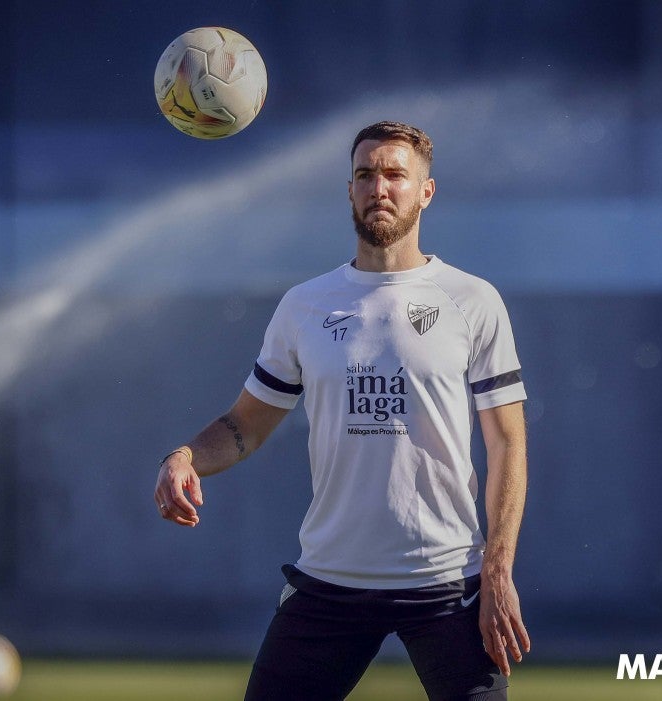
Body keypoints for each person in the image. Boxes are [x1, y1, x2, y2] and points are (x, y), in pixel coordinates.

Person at [154, 121, 530, 700]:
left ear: (425, 192)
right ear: (349, 190)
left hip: (448, 584)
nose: (379, 187)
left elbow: (507, 444)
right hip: (331, 581)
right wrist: (184, 457)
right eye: (365, 174)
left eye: (395, 175)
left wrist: (498, 570)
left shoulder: (472, 301)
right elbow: (243, 427)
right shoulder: (305, 306)